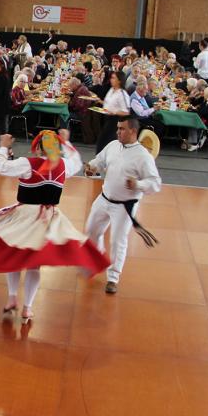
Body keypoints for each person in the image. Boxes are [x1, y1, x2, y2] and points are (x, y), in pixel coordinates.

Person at [0, 130, 109, 323]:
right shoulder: (65, 165)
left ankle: (12, 297)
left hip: (23, 218)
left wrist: (4, 146)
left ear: (38, 147)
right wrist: (66, 142)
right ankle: (28, 307)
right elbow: (76, 158)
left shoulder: (27, 164)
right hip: (47, 220)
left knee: (13, 255)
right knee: (34, 266)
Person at [84, 117, 162, 295]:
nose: (118, 132)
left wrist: (139, 185)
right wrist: (92, 167)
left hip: (124, 206)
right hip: (104, 199)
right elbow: (100, 160)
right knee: (90, 231)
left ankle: (113, 278)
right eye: (118, 128)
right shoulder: (112, 145)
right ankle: (97, 259)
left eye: (122, 129)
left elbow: (155, 183)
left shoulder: (143, 156)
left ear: (133, 131)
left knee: (118, 241)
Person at [95, 71, 131, 154]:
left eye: (113, 78)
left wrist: (114, 112)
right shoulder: (111, 90)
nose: (111, 80)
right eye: (111, 78)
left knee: (105, 142)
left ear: (119, 80)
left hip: (115, 121)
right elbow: (108, 104)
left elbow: (127, 112)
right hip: (107, 118)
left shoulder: (122, 93)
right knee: (102, 142)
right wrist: (99, 101)